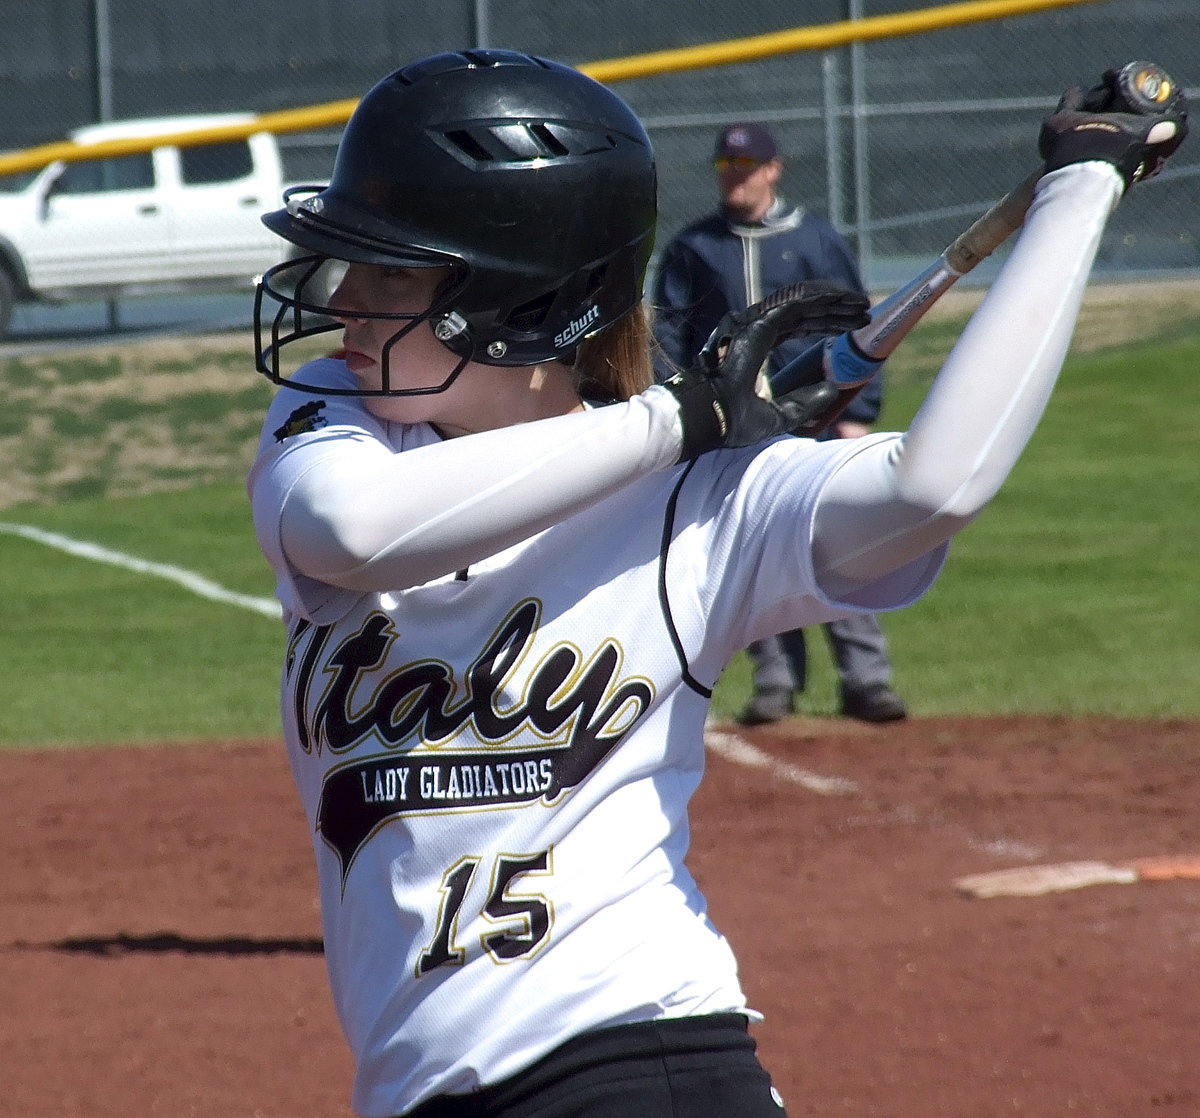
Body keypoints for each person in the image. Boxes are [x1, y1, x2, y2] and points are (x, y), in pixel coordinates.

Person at [247, 48, 1185, 1118]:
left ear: (518, 301)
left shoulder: (709, 500)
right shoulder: (335, 419)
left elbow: (934, 486)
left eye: (393, 274)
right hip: (421, 1090)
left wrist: (1080, 188)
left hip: (641, 1061)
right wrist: (683, 416)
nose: (346, 306)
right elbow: (351, 531)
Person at [652, 122, 906, 726]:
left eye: (745, 166)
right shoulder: (695, 247)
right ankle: (776, 681)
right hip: (730, 423)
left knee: (831, 543)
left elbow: (861, 329)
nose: (735, 176)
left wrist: (859, 411)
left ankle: (867, 680)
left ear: (772, 170)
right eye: (726, 167)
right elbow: (669, 334)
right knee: (750, 545)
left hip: (818, 411)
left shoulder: (813, 239)